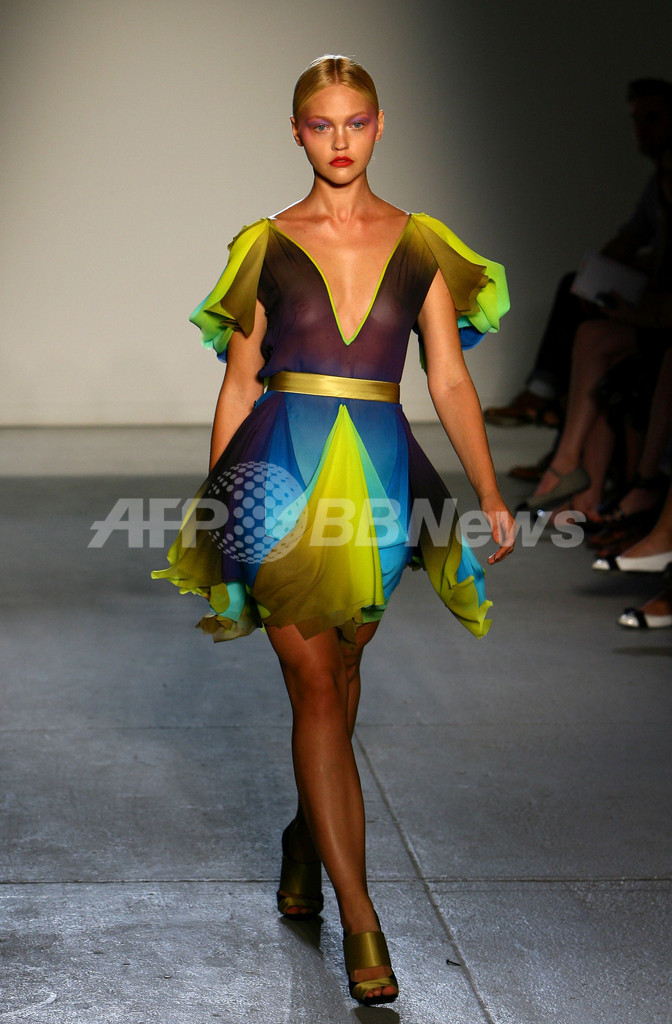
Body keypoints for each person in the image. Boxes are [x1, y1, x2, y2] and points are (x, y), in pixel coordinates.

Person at [153, 55, 514, 1006]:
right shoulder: (264, 245)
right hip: (281, 470)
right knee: (314, 683)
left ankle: (305, 839)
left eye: (356, 122)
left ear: (380, 126)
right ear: (297, 132)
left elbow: (448, 377)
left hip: (383, 482)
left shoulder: (421, 243)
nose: (340, 140)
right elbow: (238, 384)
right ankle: (363, 920)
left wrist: (489, 489)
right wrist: (219, 507)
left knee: (346, 673)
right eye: (323, 124)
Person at [485, 78, 672, 433]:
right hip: (656, 292)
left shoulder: (665, 180)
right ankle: (548, 402)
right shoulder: (656, 185)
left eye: (653, 118)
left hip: (662, 304)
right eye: (636, 119)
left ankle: (546, 400)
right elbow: (630, 238)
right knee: (576, 287)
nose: (642, 129)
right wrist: (594, 278)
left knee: (588, 316)